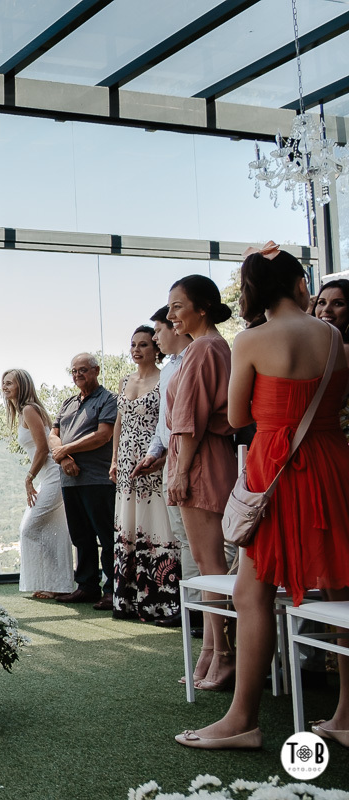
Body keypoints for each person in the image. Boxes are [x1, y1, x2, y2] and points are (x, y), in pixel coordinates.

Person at [175, 246, 349, 751]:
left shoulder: (251, 340)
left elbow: (235, 416)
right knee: (340, 586)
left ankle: (242, 720)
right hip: (333, 466)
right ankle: (344, 713)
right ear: (298, 283)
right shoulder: (336, 338)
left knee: (251, 593)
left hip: (276, 470)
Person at [165, 275, 238, 691]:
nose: (172, 314)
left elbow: (189, 418)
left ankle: (223, 656)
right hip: (203, 457)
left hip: (200, 461)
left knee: (211, 566)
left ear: (203, 307)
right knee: (209, 565)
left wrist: (179, 471)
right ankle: (211, 652)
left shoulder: (205, 348)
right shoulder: (208, 347)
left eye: (178, 306)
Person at [109, 326, 178, 622]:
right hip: (125, 462)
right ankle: (126, 600)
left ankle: (160, 602)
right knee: (127, 523)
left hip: (152, 459)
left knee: (155, 522)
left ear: (156, 348)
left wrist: (161, 457)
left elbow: (170, 421)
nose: (137, 350)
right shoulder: (125, 380)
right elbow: (118, 423)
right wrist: (113, 459)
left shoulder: (166, 378)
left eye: (144, 345)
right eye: (133, 345)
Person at [50, 353, 118, 610]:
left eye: (83, 370)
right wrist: (63, 457)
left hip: (98, 479)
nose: (78, 375)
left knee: (106, 535)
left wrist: (65, 449)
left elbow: (102, 435)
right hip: (70, 480)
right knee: (81, 536)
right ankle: (87, 587)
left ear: (96, 370)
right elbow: (52, 435)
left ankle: (112, 590)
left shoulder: (108, 399)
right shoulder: (67, 403)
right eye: (74, 371)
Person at [1, 369, 72, 600]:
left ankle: (55, 582)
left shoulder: (29, 410)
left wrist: (29, 478)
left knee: (29, 528)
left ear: (22, 385)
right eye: (3, 383)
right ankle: (56, 583)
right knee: (53, 531)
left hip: (53, 476)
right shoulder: (23, 412)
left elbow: (42, 449)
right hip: (47, 478)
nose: (5, 387)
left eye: (9, 383)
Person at [312, 278, 349, 440]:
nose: (326, 309)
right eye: (321, 302)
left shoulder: (345, 349)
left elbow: (333, 403)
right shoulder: (323, 345)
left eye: (338, 303)